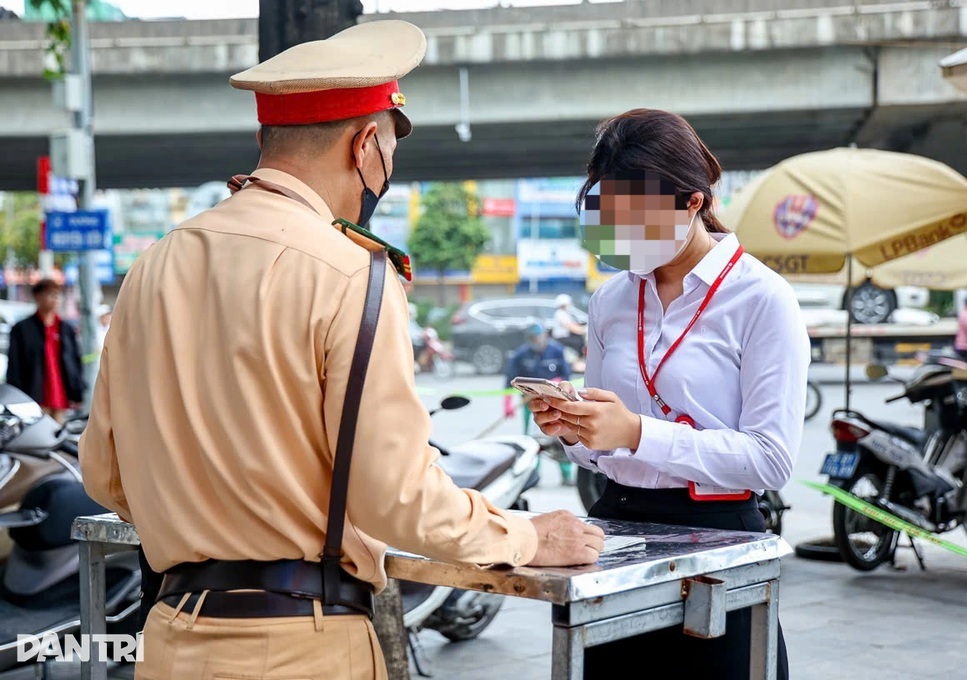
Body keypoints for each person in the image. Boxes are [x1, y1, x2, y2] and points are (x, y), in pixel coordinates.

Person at [78, 21, 603, 680]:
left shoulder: (152, 266)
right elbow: (395, 498)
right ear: (365, 146)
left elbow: (103, 471)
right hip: (301, 646)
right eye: (389, 148)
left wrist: (202, 518)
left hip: (172, 640)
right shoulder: (352, 272)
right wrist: (527, 536)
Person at [528, 108, 808, 679]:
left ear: (693, 202)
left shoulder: (761, 299)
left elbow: (771, 459)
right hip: (618, 526)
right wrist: (574, 428)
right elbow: (600, 452)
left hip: (721, 538)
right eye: (611, 214)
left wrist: (636, 432)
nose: (623, 232)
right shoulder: (611, 300)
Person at [6, 278, 84, 424]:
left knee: (58, 439)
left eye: (57, 294)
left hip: (61, 396)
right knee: (36, 440)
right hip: (33, 396)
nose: (55, 299)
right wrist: (16, 397)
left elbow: (74, 361)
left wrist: (77, 392)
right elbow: (15, 365)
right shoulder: (22, 329)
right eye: (50, 294)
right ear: (37, 296)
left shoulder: (65, 329)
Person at [505, 322, 574, 482]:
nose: (537, 340)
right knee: (532, 440)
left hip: (555, 402)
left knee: (561, 435)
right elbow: (509, 381)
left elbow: (566, 375)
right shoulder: (520, 355)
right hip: (530, 403)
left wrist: (558, 381)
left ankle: (566, 474)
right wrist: (507, 404)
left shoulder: (557, 351)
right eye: (533, 338)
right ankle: (533, 475)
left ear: (545, 336)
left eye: (539, 337)